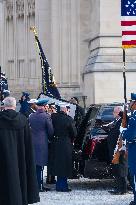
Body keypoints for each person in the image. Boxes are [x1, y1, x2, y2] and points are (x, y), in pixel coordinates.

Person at [0, 97, 40, 205]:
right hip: (20, 157)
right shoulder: (22, 120)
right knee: (20, 177)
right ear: (14, 106)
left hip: (3, 157)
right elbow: (27, 142)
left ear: (4, 106)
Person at [49, 102, 77, 192]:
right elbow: (74, 133)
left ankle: (58, 185)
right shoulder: (69, 119)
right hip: (65, 144)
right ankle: (63, 186)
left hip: (55, 143)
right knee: (64, 165)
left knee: (57, 164)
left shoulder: (53, 117)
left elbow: (50, 129)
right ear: (66, 110)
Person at [29, 98, 54, 192]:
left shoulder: (31, 116)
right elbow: (50, 131)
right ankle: (39, 186)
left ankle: (37, 185)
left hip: (32, 142)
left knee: (36, 165)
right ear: (43, 106)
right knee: (40, 165)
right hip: (42, 143)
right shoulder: (46, 116)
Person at [107, 106, 128, 195]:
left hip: (119, 149)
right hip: (115, 149)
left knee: (120, 169)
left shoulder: (122, 122)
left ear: (119, 112)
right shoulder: (116, 121)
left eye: (115, 112)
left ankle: (121, 189)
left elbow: (120, 135)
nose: (113, 113)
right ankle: (119, 187)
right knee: (117, 168)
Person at [121, 93, 136, 205]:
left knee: (134, 175)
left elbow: (130, 135)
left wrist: (123, 131)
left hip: (134, 148)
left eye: (132, 102)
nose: (130, 103)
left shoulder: (134, 118)